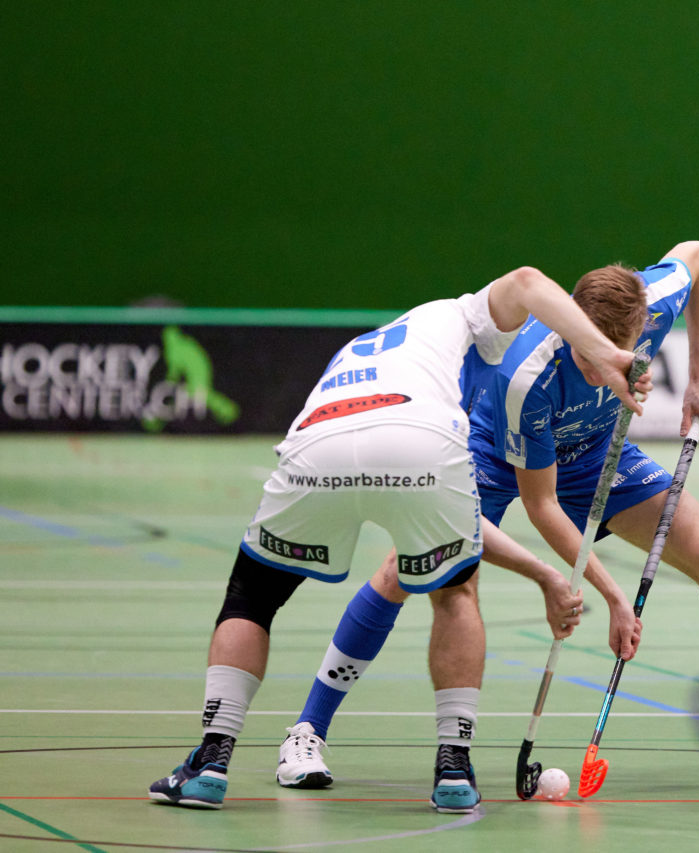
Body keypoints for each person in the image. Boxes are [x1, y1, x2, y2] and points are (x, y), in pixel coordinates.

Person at [278, 241, 699, 791]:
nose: (596, 360)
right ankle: (307, 731)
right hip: (498, 455)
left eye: (610, 351)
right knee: (405, 573)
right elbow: (542, 505)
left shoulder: (653, 302)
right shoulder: (525, 380)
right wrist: (611, 596)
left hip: (599, 449)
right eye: (585, 349)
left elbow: (697, 255)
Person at [147, 266, 644, 811]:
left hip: (321, 439)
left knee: (253, 597)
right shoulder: (463, 317)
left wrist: (548, 575)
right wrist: (609, 354)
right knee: (455, 590)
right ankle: (453, 768)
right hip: (419, 439)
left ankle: (211, 762)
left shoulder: (370, 348)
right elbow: (527, 279)